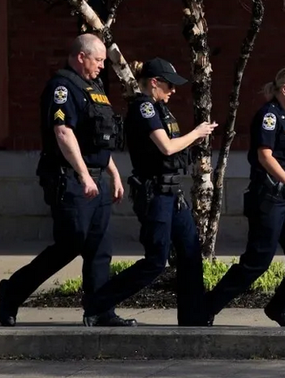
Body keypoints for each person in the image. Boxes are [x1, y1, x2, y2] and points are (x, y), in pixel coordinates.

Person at [0, 34, 135, 327]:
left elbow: (96, 139)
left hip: (97, 180)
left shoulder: (94, 88)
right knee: (71, 243)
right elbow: (63, 133)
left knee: (100, 247)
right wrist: (84, 176)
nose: (101, 67)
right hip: (71, 180)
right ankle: (13, 292)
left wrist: (113, 173)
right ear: (81, 56)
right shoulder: (63, 87)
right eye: (98, 60)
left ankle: (99, 310)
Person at [83, 58, 216, 326]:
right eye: (169, 85)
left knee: (190, 253)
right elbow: (166, 147)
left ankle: (193, 318)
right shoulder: (144, 108)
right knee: (156, 261)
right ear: (154, 83)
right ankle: (97, 305)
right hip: (155, 195)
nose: (173, 91)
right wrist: (197, 133)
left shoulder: (160, 108)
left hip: (173, 193)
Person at [205, 67, 285, 327]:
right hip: (269, 198)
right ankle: (206, 307)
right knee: (257, 262)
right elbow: (264, 156)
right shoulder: (268, 116)